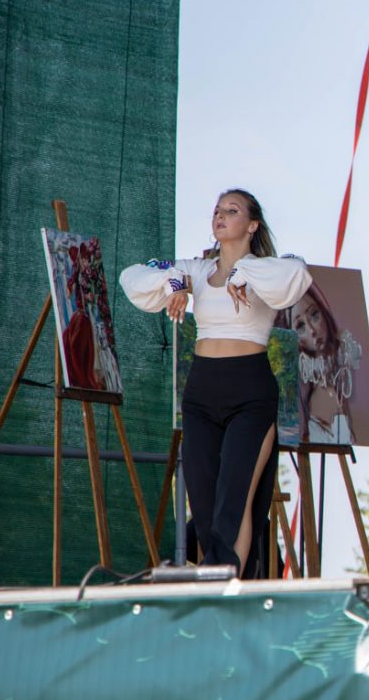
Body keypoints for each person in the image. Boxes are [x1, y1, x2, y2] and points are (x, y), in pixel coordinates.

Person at [120, 189, 312, 578]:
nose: (220, 216)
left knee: (234, 499)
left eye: (232, 210)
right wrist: (175, 281)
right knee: (204, 502)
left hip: (250, 392)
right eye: (217, 210)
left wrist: (244, 271)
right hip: (201, 391)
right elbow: (131, 275)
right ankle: (218, 580)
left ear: (252, 224)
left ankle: (224, 583)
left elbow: (298, 273)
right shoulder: (195, 270)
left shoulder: (265, 269)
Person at [282, 282, 357, 445]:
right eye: (300, 326)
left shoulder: (343, 371)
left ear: (324, 311)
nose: (312, 330)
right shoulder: (308, 394)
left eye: (314, 315)